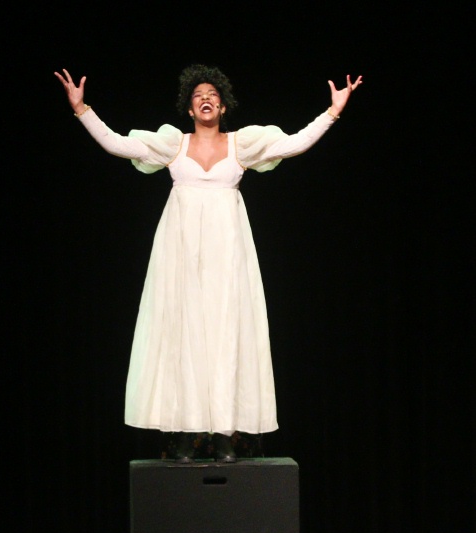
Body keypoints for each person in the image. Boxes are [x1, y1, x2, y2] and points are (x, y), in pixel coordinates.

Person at [54, 64, 362, 462]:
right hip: (180, 254)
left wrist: (332, 112)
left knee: (225, 336)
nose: (206, 99)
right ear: (189, 108)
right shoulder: (173, 145)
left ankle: (224, 436)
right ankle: (185, 434)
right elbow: (118, 145)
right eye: (198, 95)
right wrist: (82, 110)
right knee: (182, 336)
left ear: (223, 106)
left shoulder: (241, 145)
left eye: (212, 95)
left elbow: (293, 144)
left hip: (227, 255)